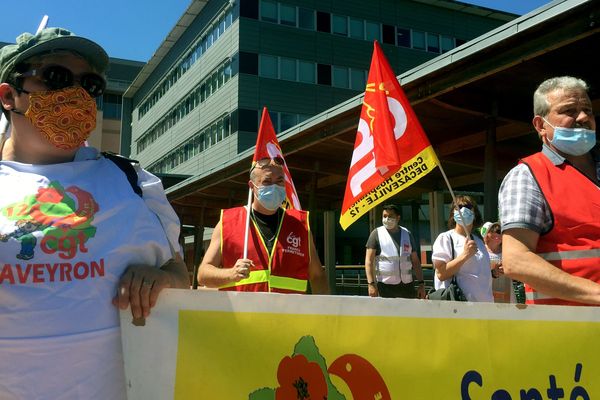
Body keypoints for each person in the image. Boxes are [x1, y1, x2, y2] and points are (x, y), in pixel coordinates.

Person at [0, 28, 190, 399]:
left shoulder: (135, 181)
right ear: (9, 95)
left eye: (89, 85)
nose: (76, 95)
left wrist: (161, 279)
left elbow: (180, 274)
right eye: (56, 77)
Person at [498, 76, 599, 306]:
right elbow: (516, 260)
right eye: (569, 111)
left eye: (587, 110)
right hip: (570, 331)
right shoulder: (528, 176)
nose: (583, 117)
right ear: (541, 125)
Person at [198, 157, 329, 294]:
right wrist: (231, 274)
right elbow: (203, 275)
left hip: (289, 314)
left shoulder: (300, 225)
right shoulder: (228, 222)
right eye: (267, 182)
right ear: (252, 186)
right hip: (243, 314)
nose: (274, 187)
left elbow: (317, 276)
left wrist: (326, 313)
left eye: (279, 181)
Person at [431, 195, 493, 302]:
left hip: (484, 306)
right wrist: (465, 255)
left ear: (475, 213)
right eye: (458, 207)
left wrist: (494, 272)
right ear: (453, 213)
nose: (463, 209)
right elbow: (441, 274)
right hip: (459, 307)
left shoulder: (479, 242)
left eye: (468, 206)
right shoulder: (445, 238)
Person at [364, 204, 425, 299]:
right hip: (385, 287)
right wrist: (371, 284)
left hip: (407, 286)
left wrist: (421, 284)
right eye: (384, 216)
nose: (387, 219)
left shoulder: (407, 234)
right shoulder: (376, 234)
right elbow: (369, 261)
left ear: (398, 218)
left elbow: (415, 261)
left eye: (390, 216)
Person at [481, 221, 515, 303]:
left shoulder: (508, 251)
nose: (497, 234)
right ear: (486, 235)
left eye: (499, 232)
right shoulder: (480, 251)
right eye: (493, 232)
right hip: (486, 294)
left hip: (506, 293)